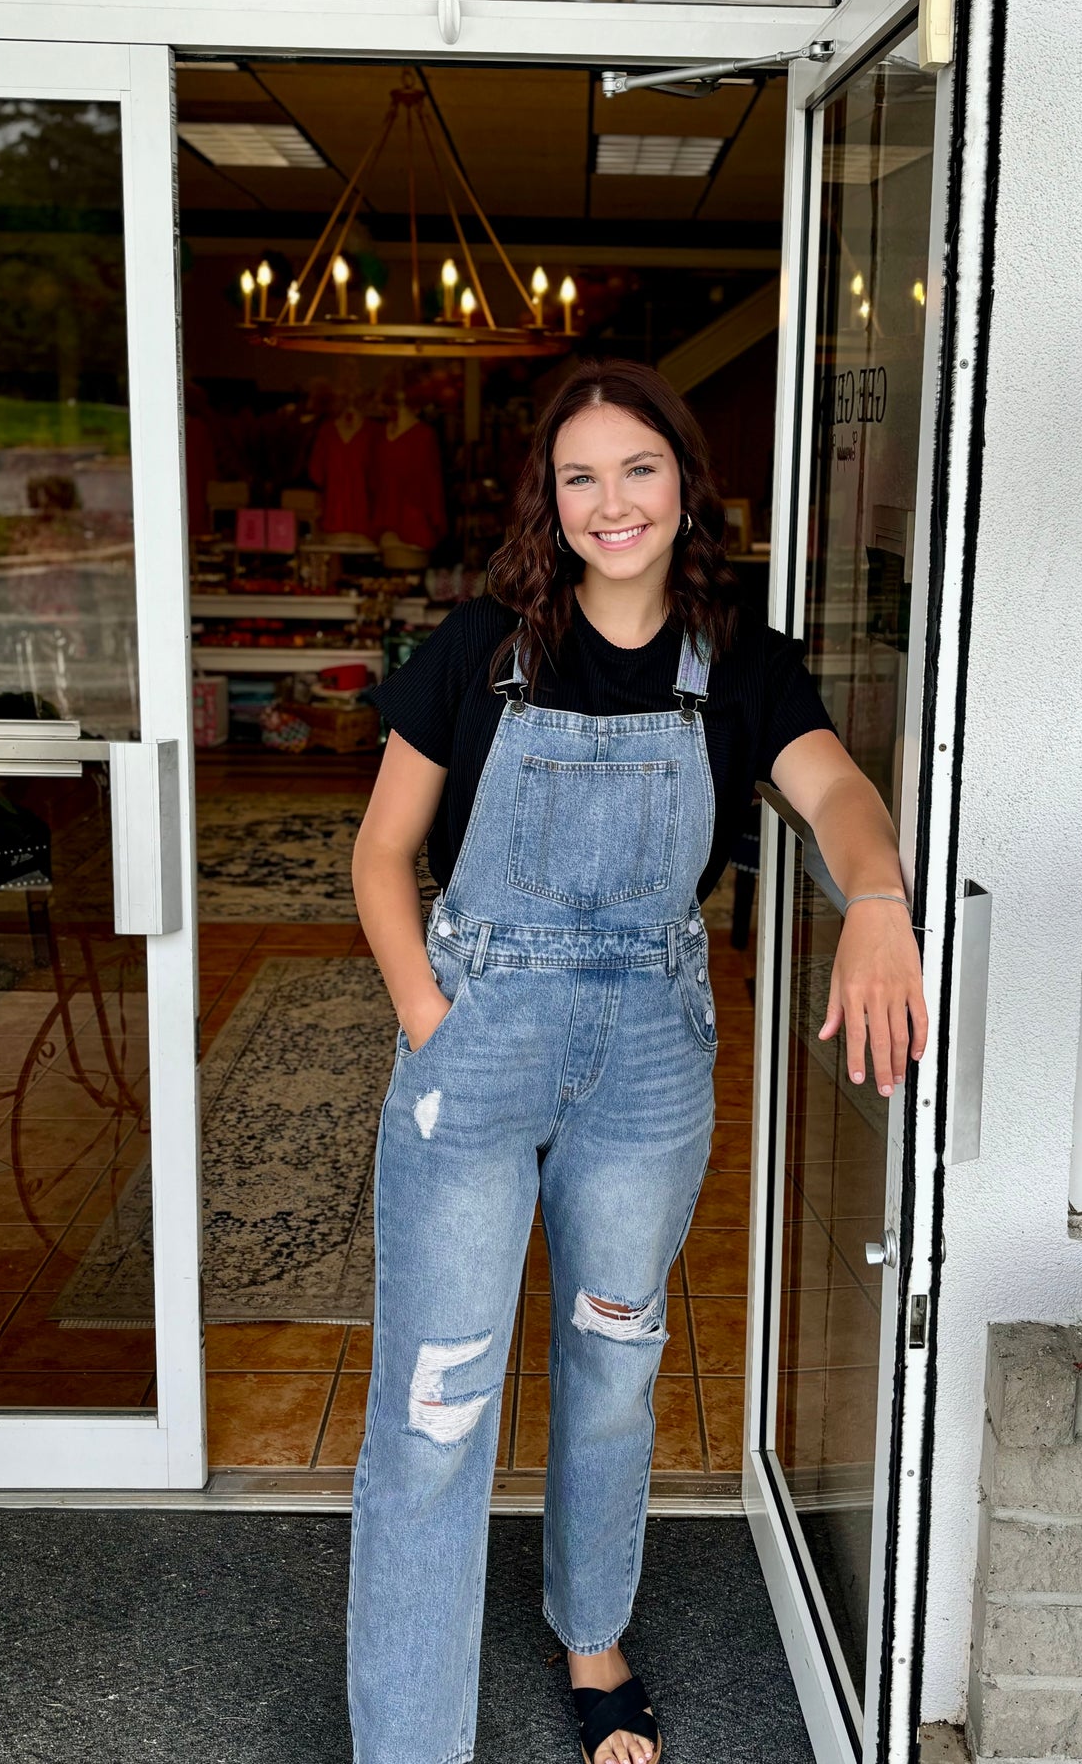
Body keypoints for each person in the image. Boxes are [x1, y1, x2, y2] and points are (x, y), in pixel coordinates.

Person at [347, 360, 927, 1764]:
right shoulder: (483, 646)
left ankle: (590, 1630)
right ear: (550, 502)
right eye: (580, 476)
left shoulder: (737, 655)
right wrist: (435, 1021)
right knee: (438, 1397)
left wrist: (877, 899)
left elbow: (837, 791)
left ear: (684, 482)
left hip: (646, 1067)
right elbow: (377, 856)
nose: (614, 501)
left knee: (614, 1358)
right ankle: (406, 1738)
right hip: (478, 1047)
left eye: (639, 468)